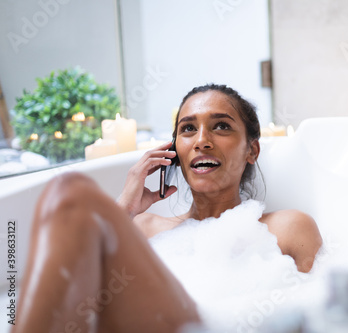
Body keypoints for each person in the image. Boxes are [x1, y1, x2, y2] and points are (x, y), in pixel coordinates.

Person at [14, 84, 323, 333]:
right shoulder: (144, 227)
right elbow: (87, 306)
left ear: (251, 150)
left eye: (221, 126)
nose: (202, 141)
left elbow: (318, 315)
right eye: (188, 129)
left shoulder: (288, 228)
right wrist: (125, 207)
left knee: (70, 195)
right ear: (174, 151)